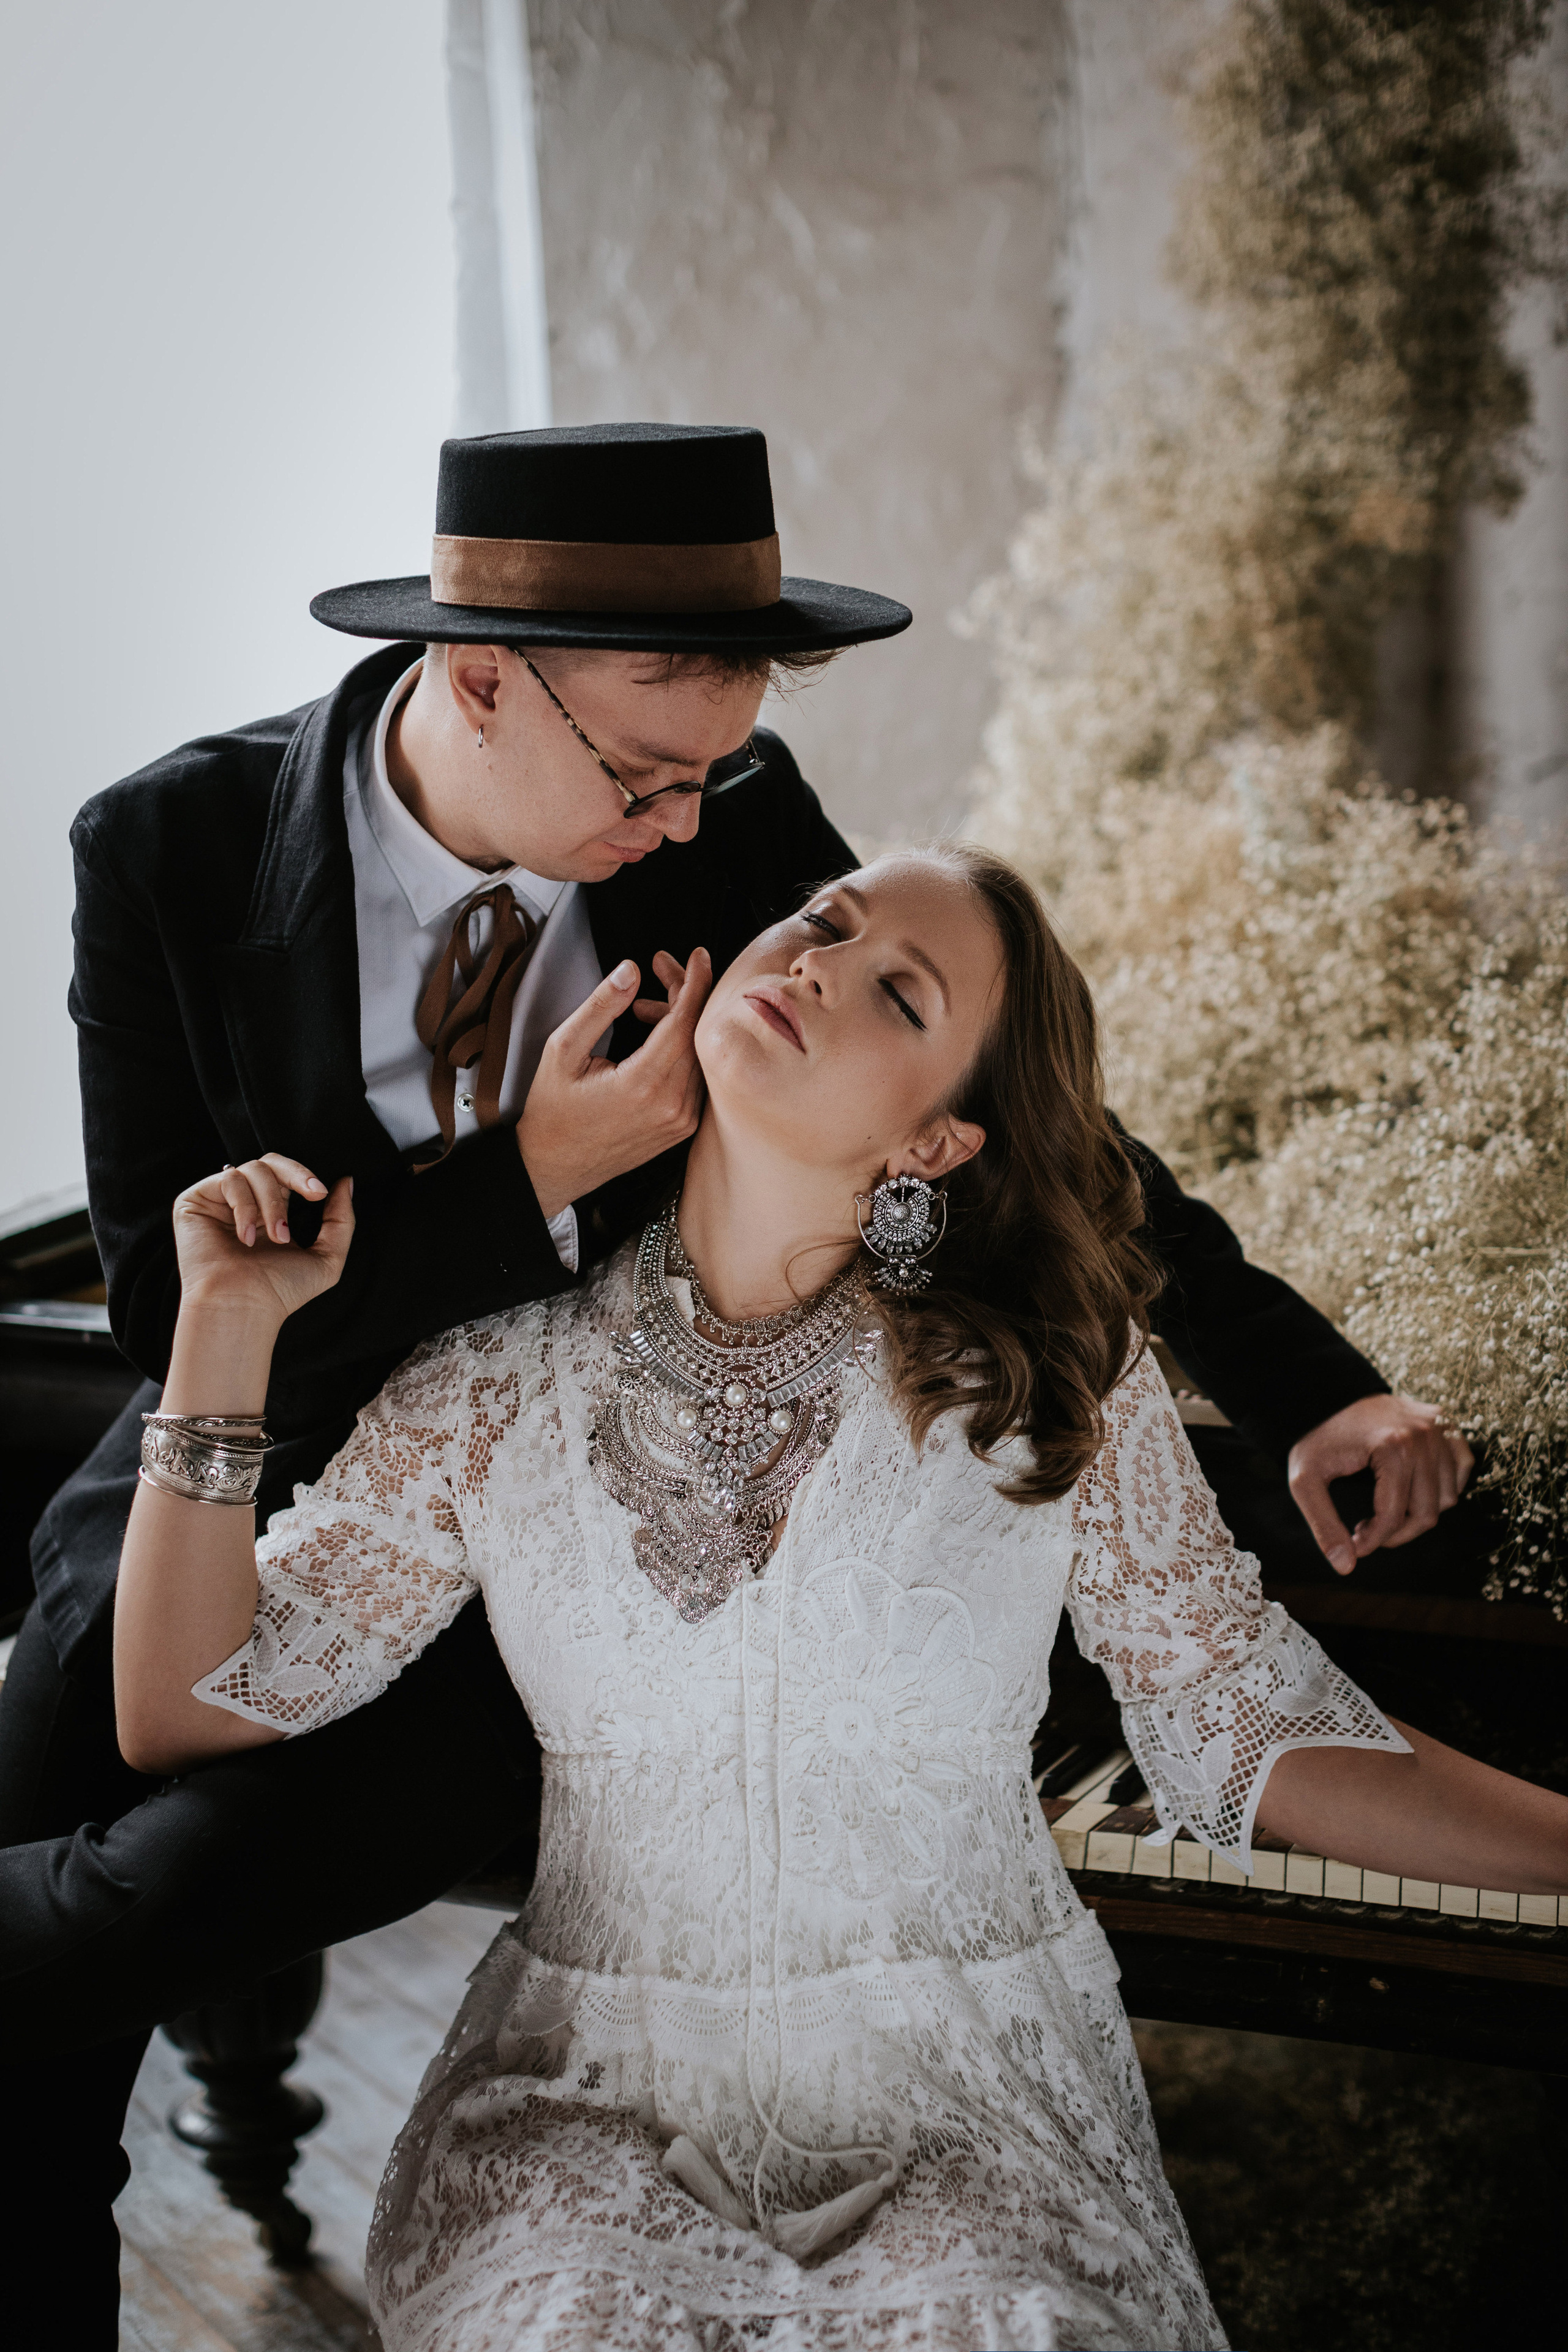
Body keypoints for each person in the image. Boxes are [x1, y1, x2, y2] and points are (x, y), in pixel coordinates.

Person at [0, 422, 1466, 2337]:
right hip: (227, 1452)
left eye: (715, 774)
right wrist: (520, 1177)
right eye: (645, 776)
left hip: (545, 1526)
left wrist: (1303, 1382)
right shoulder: (168, 844)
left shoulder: (732, 821)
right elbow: (150, 1300)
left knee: (145, 1903)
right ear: (476, 681)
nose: (690, 831)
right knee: (35, 2021)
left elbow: (1019, 1117)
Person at [113, 846, 1567, 2352]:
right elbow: (183, 1710)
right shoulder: (492, 1383)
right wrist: (220, 1333)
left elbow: (1248, 1728)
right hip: (589, 2106)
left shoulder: (1047, 1386)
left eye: (898, 991)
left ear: (934, 1141)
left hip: (963, 2106)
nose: (816, 960)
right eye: (820, 920)